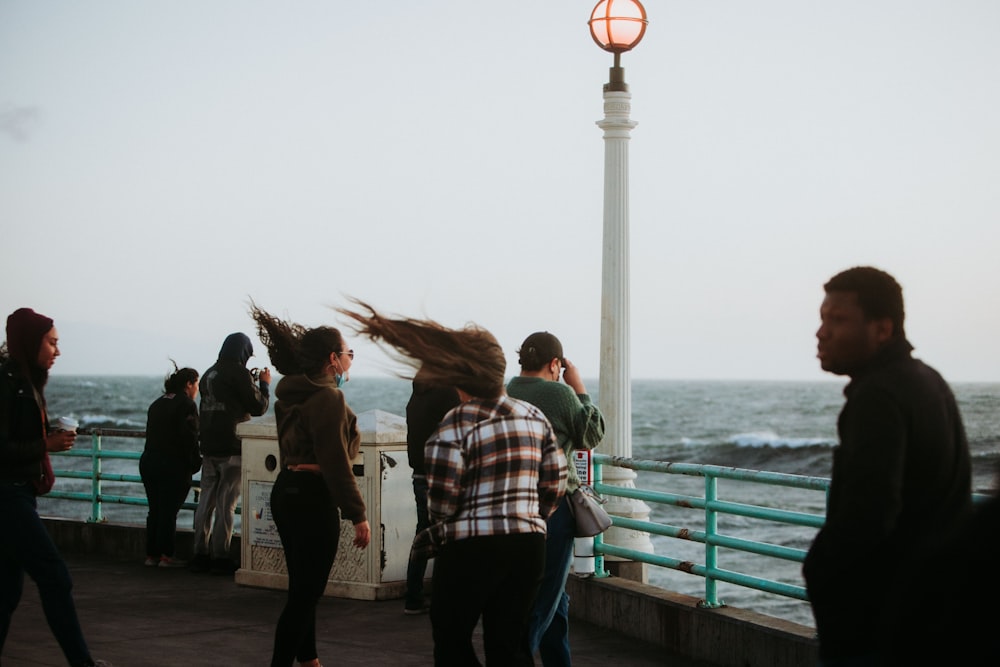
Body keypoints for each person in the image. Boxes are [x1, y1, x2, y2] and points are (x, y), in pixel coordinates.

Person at [336, 299, 567, 666]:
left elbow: (442, 504)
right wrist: (530, 516)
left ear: (460, 380)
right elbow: (555, 482)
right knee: (510, 644)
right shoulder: (534, 418)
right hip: (528, 546)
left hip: (471, 548)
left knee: (450, 635)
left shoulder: (454, 426)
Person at [802, 266, 973, 666]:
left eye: (837, 319)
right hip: (935, 614)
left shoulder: (878, 397)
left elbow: (869, 515)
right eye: (822, 318)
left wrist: (820, 569)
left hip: (883, 626)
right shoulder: (928, 380)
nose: (821, 332)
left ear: (883, 328)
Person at [249, 304, 371, 667]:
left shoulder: (291, 395)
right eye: (348, 353)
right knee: (306, 594)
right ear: (333, 359)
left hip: (286, 490)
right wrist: (358, 514)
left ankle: (310, 660)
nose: (351, 359)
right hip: (312, 497)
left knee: (302, 588)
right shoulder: (329, 398)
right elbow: (334, 461)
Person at [0, 308, 112, 667]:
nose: (57, 351)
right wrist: (44, 446)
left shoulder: (24, 380)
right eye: (52, 342)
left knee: (6, 592)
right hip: (7, 494)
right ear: (31, 342)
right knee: (54, 576)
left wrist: (45, 441)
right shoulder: (8, 383)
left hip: (20, 493)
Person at [506, 331, 605, 667]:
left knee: (553, 596)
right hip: (554, 505)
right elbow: (590, 436)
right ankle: (514, 657)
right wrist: (580, 389)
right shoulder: (560, 393)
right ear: (554, 364)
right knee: (546, 596)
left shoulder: (507, 392)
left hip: (513, 504)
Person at [190, 332, 271, 575]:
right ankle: (221, 556)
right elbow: (258, 407)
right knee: (226, 504)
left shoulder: (208, 373)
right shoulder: (238, 372)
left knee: (205, 502)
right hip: (231, 448)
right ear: (243, 352)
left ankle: (199, 553)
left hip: (209, 447)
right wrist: (264, 384)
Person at [402, 369, 459, 615]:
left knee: (423, 534)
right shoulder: (447, 393)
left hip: (419, 473)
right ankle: (443, 598)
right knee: (448, 537)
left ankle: (413, 596)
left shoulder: (417, 395)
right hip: (443, 474)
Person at [139, 362, 202, 568]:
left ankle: (152, 555)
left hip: (149, 461)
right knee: (168, 511)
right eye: (196, 385)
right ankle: (167, 556)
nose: (197, 390)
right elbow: (190, 437)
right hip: (172, 464)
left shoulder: (157, 403)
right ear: (188, 384)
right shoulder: (186, 405)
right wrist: (195, 462)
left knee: (155, 510)